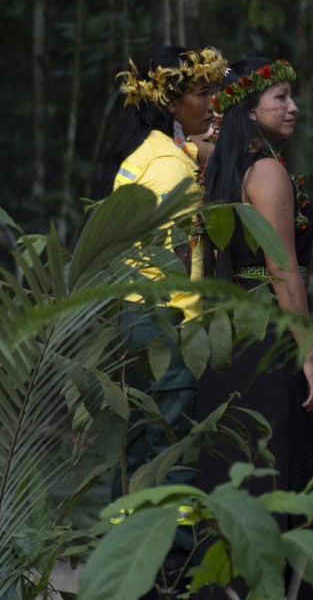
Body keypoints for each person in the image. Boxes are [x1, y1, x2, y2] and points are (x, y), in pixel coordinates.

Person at [94, 44, 227, 595]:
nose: (213, 101)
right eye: (202, 92)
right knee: (172, 446)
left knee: (137, 442)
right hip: (168, 317)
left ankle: (126, 562)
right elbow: (176, 248)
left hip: (132, 313)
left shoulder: (142, 153)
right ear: (170, 98)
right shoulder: (174, 164)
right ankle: (169, 570)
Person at [196, 57, 313, 598]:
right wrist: (310, 348)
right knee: (275, 463)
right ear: (250, 110)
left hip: (224, 332)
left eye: (291, 96)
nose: (292, 106)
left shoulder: (224, 168)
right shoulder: (266, 171)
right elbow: (282, 266)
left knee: (233, 465)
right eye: (279, 97)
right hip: (268, 333)